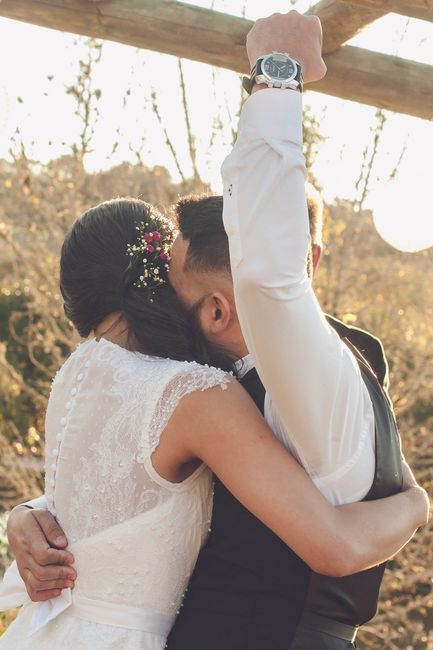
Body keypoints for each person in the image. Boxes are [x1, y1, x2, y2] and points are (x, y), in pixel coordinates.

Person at [1, 10, 428, 650]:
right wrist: (31, 512)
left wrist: (277, 81)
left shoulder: (299, 359)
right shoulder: (197, 384)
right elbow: (118, 480)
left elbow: (269, 278)